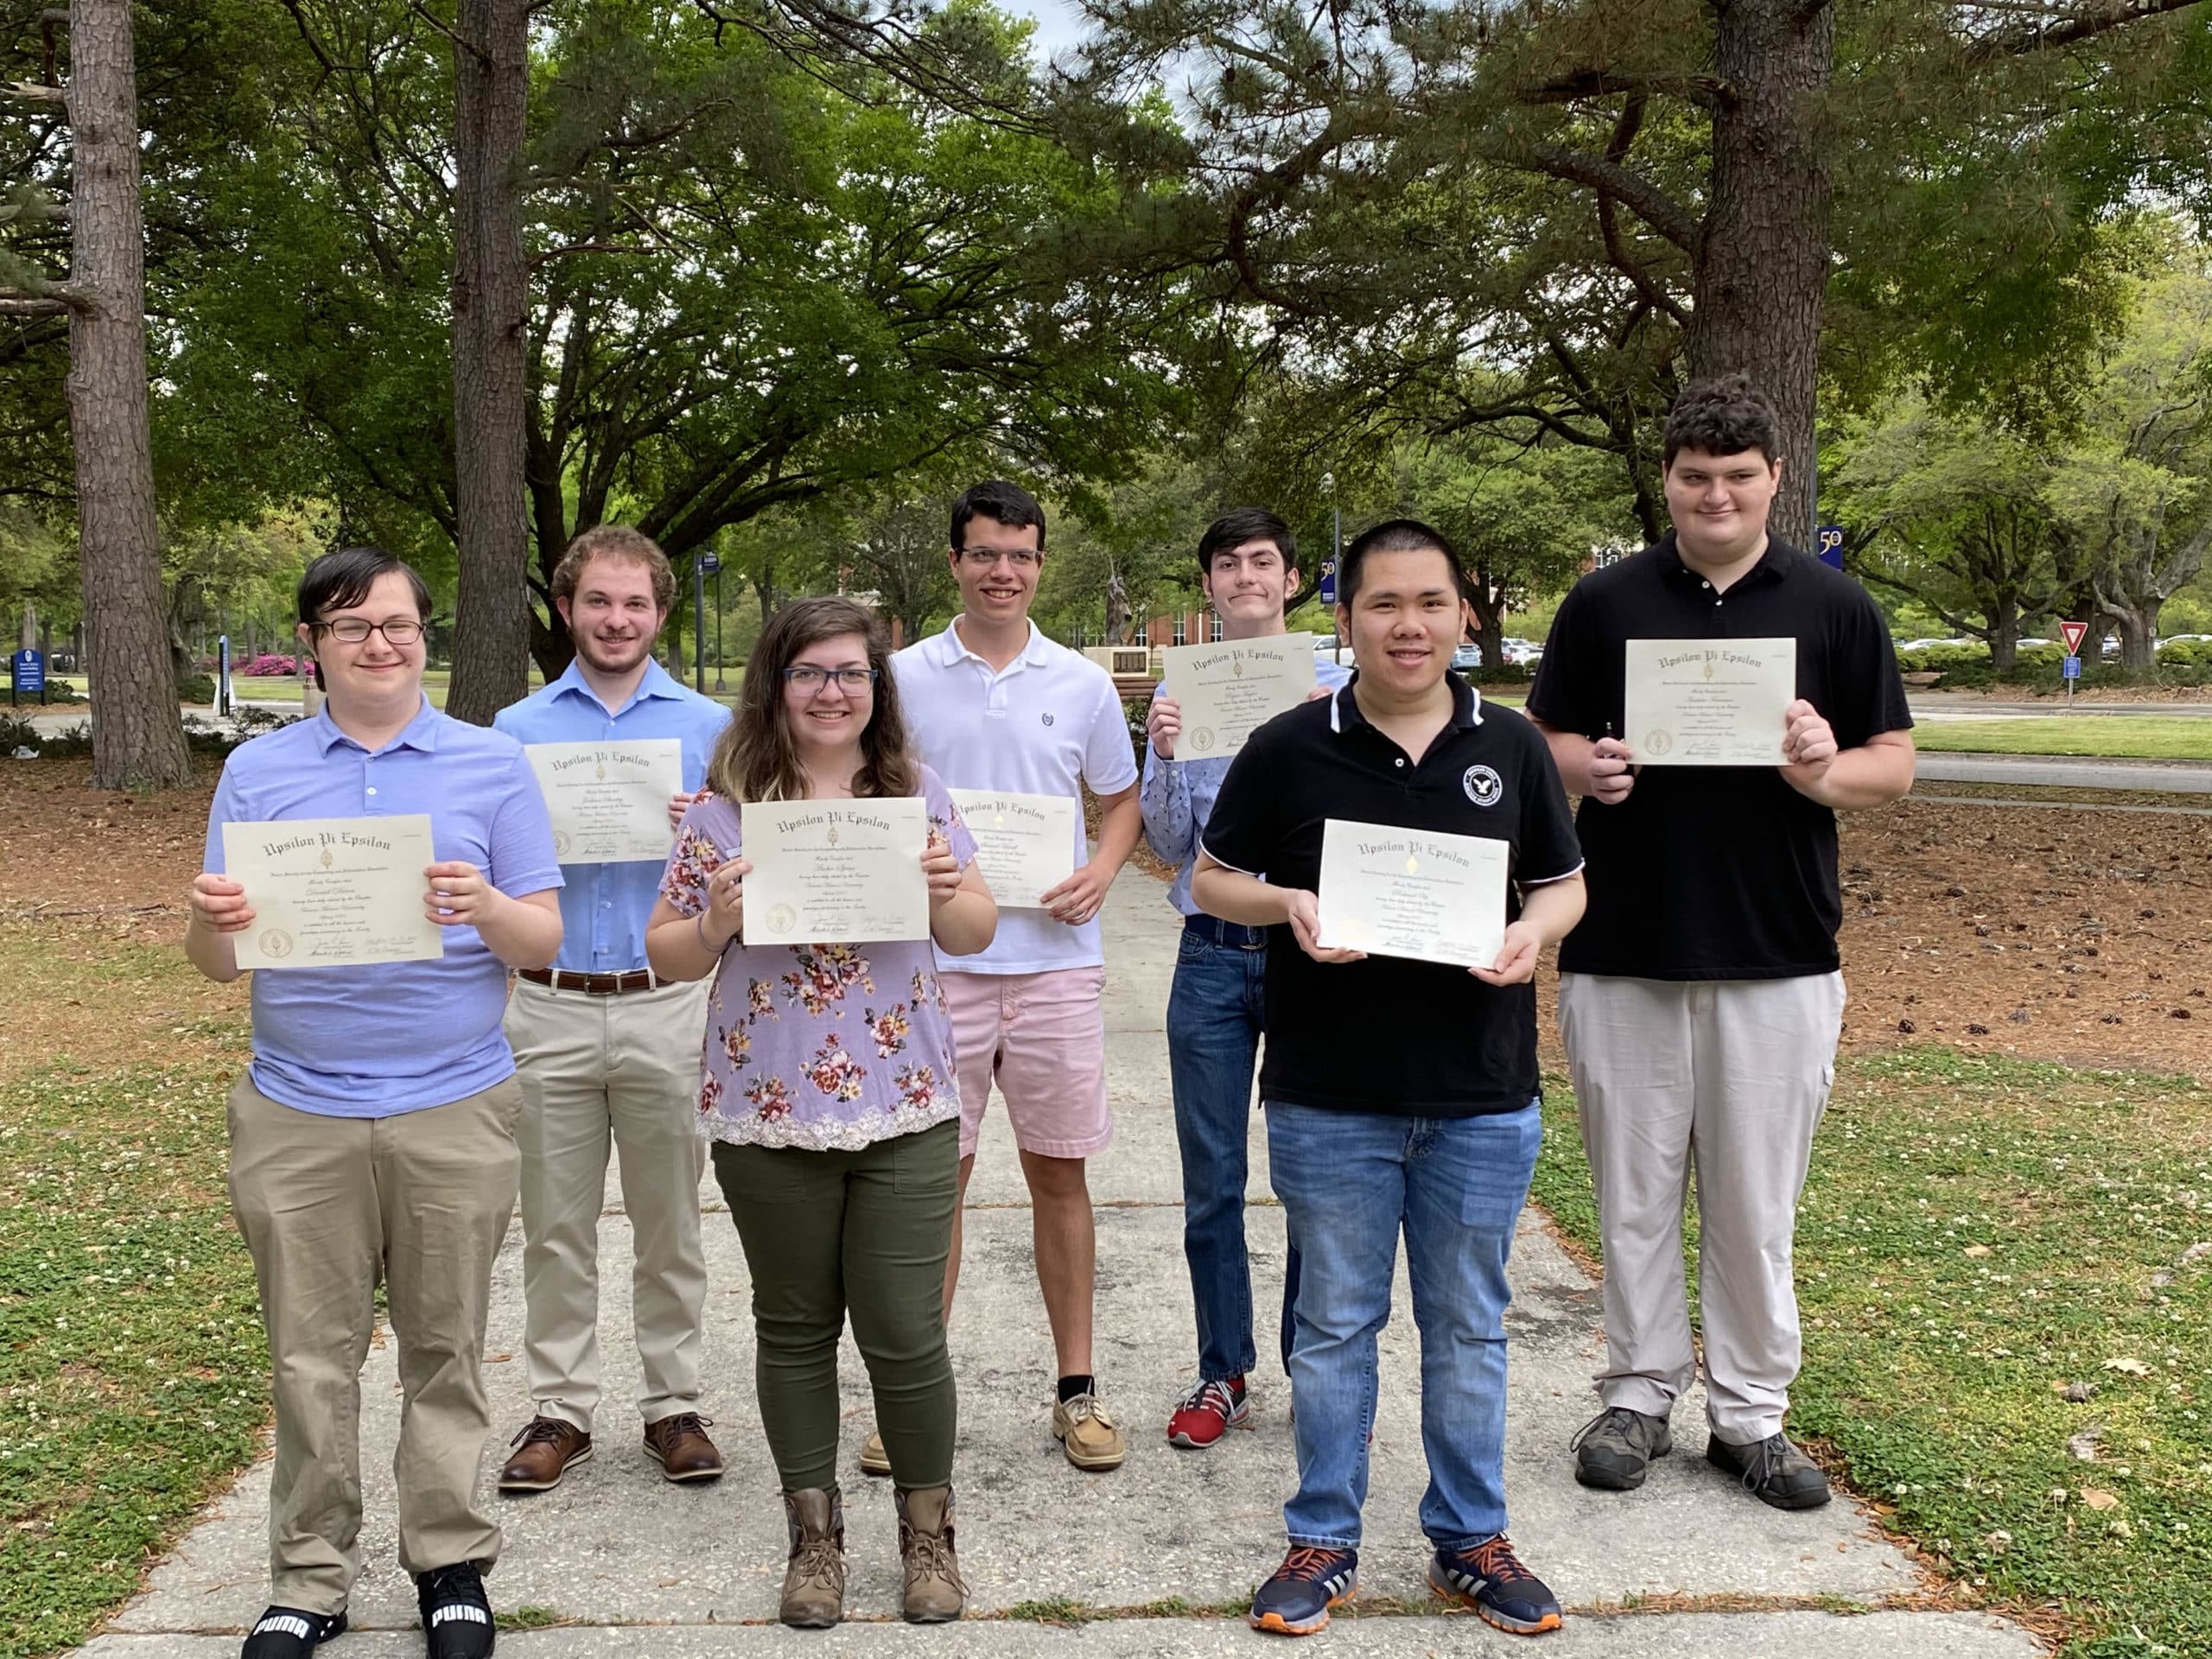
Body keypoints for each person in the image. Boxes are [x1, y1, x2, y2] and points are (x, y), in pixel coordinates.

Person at [1192, 520, 1586, 1639]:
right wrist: (1290, 905)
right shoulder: (1286, 747)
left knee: (1467, 1325)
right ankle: (1324, 1538)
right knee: (1334, 1328)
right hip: (1329, 1095)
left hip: (1480, 1093)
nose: (1407, 626)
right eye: (1383, 605)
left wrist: (1532, 934)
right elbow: (1214, 881)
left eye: (1429, 603)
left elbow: (1566, 884)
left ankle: (1470, 1540)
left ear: (1464, 614)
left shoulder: (1508, 745)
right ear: (1346, 618)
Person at [1527, 375, 1915, 1510]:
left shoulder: (1835, 609)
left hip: (1780, 948)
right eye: (1697, 478)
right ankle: (1639, 1392)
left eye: (1740, 477)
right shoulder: (1605, 603)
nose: (1718, 497)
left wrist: (1821, 771)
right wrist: (1581, 766)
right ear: (1670, 481)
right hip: (1625, 943)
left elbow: (1891, 762)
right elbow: (1546, 733)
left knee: (1754, 1198)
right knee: (1633, 1188)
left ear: (1774, 479)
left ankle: (1749, 1415)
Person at [187, 548, 564, 1659]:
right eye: (351, 627)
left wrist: (484, 902)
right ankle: (310, 1579)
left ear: (423, 635)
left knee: (444, 1346)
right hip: (296, 1105)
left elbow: (540, 941)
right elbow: (215, 964)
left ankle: (450, 1564)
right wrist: (214, 917)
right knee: (310, 1355)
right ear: (314, 646)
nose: (379, 644)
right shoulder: (257, 776)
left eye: (397, 624)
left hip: (454, 1101)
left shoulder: (492, 766)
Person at [644, 596, 996, 1629]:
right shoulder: (723, 808)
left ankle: (928, 1537)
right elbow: (663, 953)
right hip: (767, 1109)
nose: (832, 691)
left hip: (905, 1105)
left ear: (876, 689)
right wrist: (713, 918)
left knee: (905, 1334)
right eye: (810, 673)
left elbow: (973, 931)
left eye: (851, 673)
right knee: (793, 1328)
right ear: (776, 684)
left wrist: (939, 886)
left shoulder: (915, 794)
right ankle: (813, 1541)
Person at [888, 480, 1143, 1473]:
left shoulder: (1078, 683)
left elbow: (1119, 802)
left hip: (1052, 965)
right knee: (929, 1187)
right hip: (937, 964)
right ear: (954, 560)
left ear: (1041, 565)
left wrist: (1103, 867)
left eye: (1022, 556)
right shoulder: (901, 676)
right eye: (986, 553)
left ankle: (1077, 1391)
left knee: (1059, 1173)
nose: (1004, 571)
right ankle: (913, 1397)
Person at [490, 525, 733, 1494]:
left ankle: (672, 1405)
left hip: (667, 1000)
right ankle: (561, 1409)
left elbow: (757, 862)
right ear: (566, 608)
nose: (617, 619)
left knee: (670, 1219)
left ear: (660, 614)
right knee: (555, 1223)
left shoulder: (712, 726)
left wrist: (704, 831)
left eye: (635, 603)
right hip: (546, 1005)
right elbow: (494, 863)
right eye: (599, 601)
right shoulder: (514, 730)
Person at [1140, 508, 1350, 1451]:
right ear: (1211, 587)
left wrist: (1326, 736)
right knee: (1213, 1178)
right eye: (1227, 565)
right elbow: (1171, 844)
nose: (1246, 578)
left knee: (1318, 1175)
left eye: (1263, 561)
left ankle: (1318, 1364)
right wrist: (1167, 753)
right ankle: (1221, 1369)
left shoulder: (1343, 690)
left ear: (1291, 577)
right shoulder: (1182, 697)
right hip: (1211, 952)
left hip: (1314, 953)